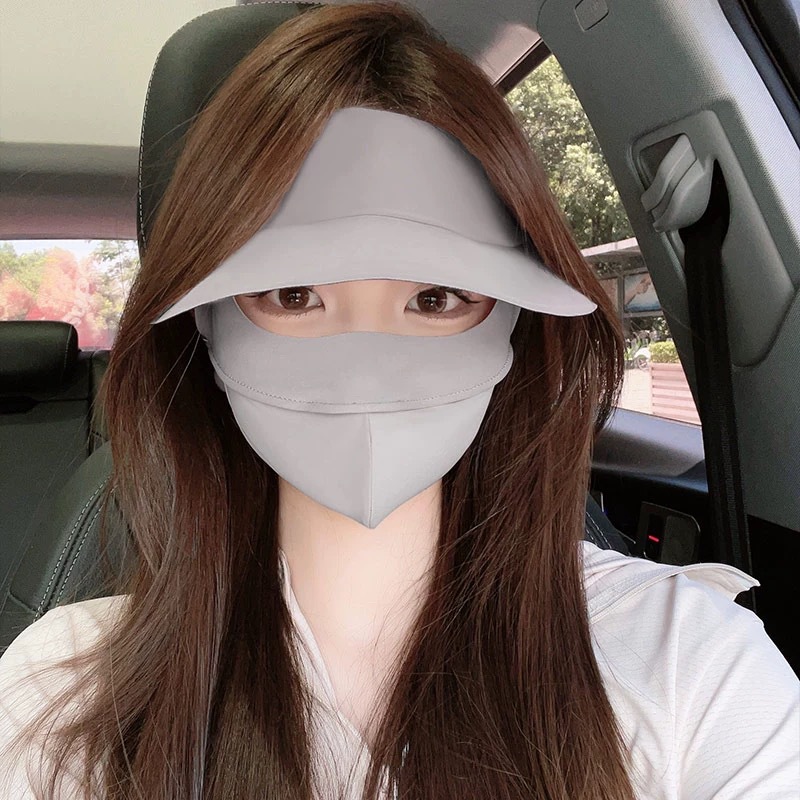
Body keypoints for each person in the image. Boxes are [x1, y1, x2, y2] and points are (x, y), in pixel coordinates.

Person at [1, 4, 797, 800]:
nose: (365, 371)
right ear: (204, 328)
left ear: (515, 325)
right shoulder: (56, 701)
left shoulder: (693, 666)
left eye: (436, 298)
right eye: (294, 295)